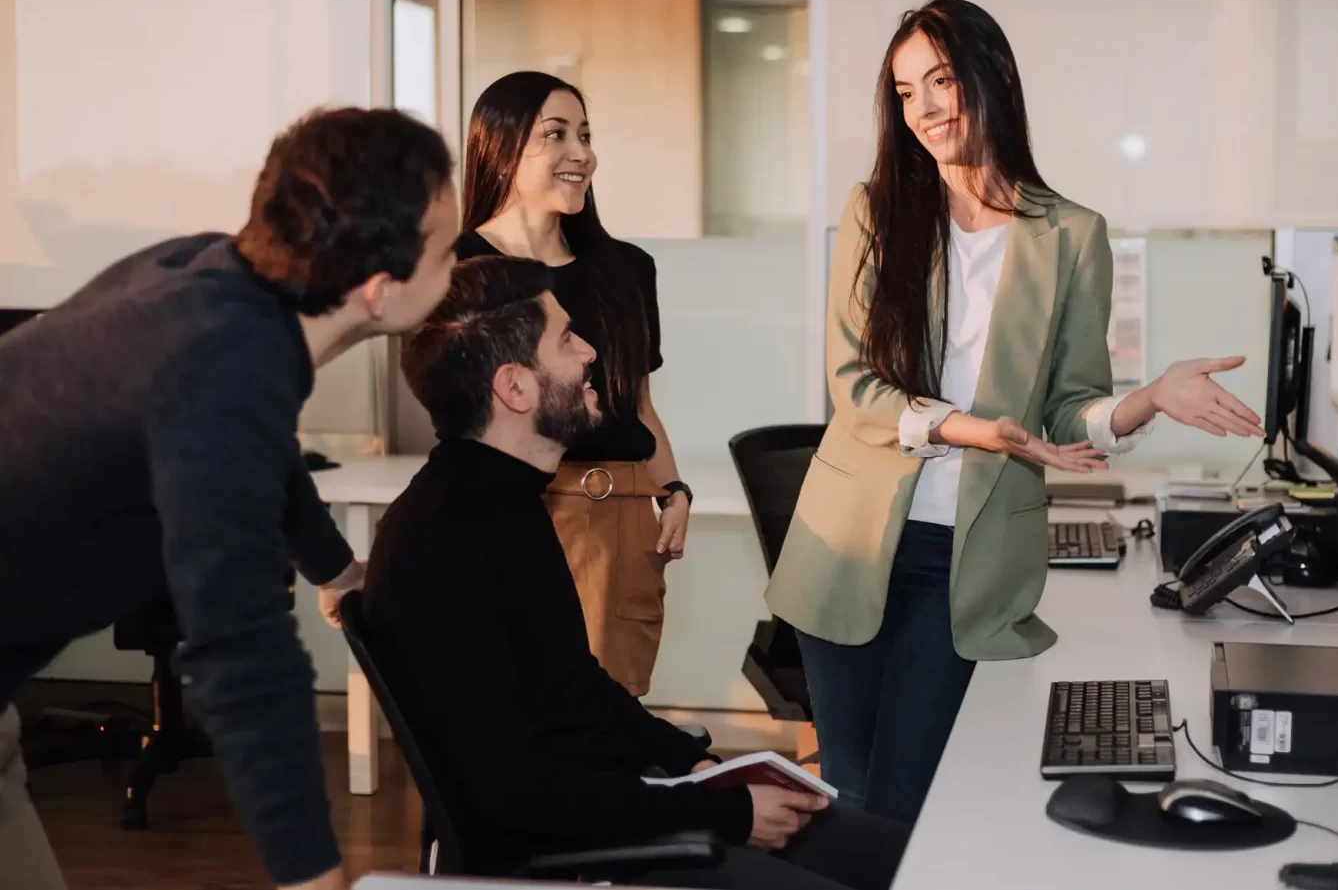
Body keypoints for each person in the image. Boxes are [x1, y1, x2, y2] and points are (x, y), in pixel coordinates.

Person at [766, 0, 1265, 825]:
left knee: (905, 805)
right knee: (845, 801)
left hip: (966, 565)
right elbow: (854, 388)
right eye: (903, 90)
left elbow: (1067, 406)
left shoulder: (1071, 234)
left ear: (991, 79)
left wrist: (1147, 400)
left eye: (941, 80)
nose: (923, 108)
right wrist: (967, 427)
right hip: (851, 547)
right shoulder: (875, 212)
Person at [0, 108, 459, 890]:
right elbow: (240, 645)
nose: (458, 265)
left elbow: (261, 452)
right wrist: (312, 872)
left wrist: (332, 566)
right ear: (378, 291)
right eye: (448, 251)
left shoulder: (213, 277)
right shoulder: (228, 366)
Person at [365, 255, 909, 890]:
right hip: (578, 846)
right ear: (514, 388)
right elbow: (514, 795)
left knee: (913, 856)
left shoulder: (503, 504)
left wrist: (701, 764)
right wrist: (726, 811)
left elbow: (576, 695)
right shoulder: (442, 542)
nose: (591, 351)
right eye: (566, 338)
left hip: (618, 812)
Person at [452, 71, 685, 697]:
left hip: (619, 516)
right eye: (555, 134)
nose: (581, 153)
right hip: (509, 514)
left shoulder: (627, 270)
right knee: (512, 714)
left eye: (584, 134)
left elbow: (639, 406)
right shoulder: (461, 270)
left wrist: (675, 490)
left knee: (610, 716)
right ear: (498, 147)